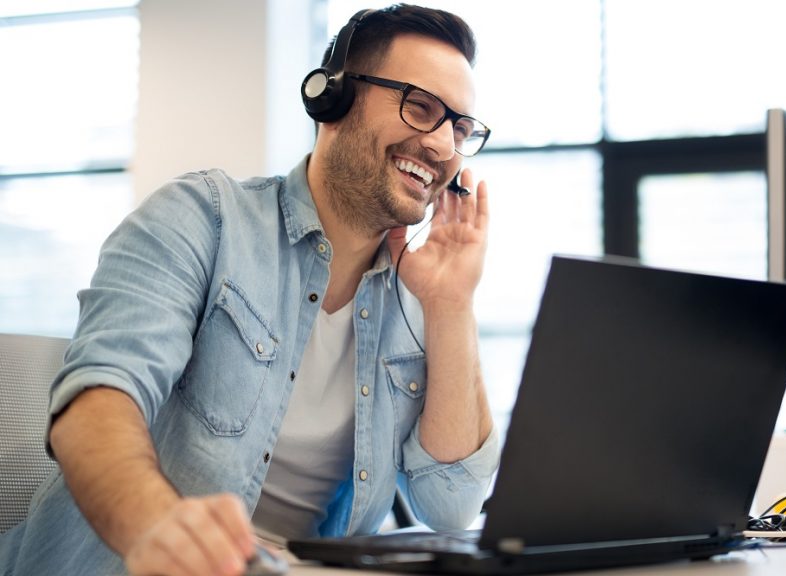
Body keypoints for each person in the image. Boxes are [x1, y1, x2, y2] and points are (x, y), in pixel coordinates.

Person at [0, 4, 498, 575]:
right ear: (331, 99)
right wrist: (154, 523)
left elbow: (452, 507)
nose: (442, 146)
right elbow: (98, 401)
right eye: (421, 107)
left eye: (460, 128)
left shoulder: (419, 297)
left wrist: (451, 304)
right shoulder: (203, 219)